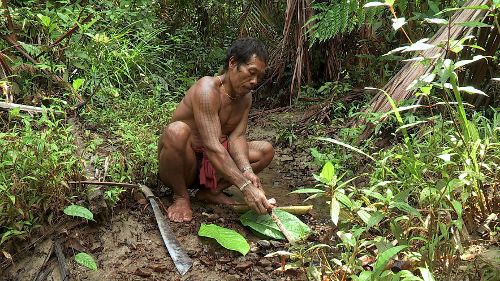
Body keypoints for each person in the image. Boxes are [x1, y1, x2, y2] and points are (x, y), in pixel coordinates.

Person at [157, 37, 276, 222]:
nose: (254, 81)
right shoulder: (207, 89)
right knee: (176, 131)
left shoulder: (245, 98)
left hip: (212, 167)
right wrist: (245, 186)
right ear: (233, 63)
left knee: (265, 151)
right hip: (183, 166)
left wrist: (247, 170)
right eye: (251, 72)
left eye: (259, 76)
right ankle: (181, 196)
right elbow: (212, 145)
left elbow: (237, 137)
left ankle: (210, 191)